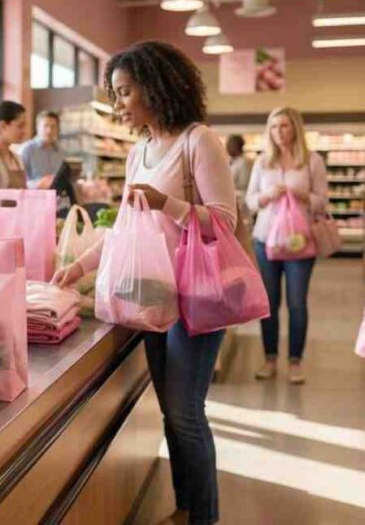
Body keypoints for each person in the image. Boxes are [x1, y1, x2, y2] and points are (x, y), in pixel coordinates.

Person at [53, 41, 236, 525]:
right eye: (115, 94)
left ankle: (205, 516)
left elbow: (224, 223)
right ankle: (185, 505)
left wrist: (165, 203)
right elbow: (125, 229)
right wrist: (80, 268)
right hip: (153, 295)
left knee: (186, 412)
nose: (119, 104)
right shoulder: (140, 152)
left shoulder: (200, 141)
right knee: (171, 413)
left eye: (125, 92)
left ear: (155, 88)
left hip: (195, 296)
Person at [245, 107, 326, 385]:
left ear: (296, 129)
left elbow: (322, 201)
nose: (279, 132)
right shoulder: (262, 162)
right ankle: (269, 358)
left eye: (285, 126)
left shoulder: (312, 161)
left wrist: (303, 196)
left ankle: (295, 361)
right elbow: (250, 200)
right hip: (265, 240)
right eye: (274, 127)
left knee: (297, 303)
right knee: (268, 303)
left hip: (299, 243)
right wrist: (266, 197)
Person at [20, 110, 65, 189]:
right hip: (34, 197)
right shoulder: (27, 150)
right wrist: (38, 184)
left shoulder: (61, 152)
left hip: (56, 198)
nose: (49, 130)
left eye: (53, 127)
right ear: (37, 127)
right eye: (45, 126)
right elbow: (19, 183)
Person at [226, 134, 253, 200]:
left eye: (230, 145)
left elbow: (244, 184)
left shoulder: (244, 162)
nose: (227, 148)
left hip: (241, 200)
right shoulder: (232, 161)